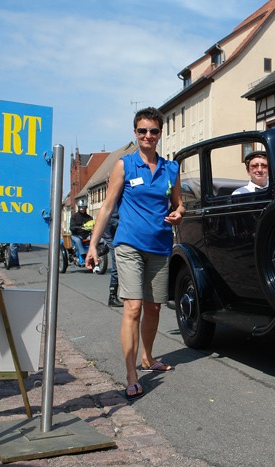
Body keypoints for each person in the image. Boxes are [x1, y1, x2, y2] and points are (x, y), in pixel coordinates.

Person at [85, 107, 185, 401]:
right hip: (128, 244)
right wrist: (92, 245)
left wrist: (178, 213)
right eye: (142, 131)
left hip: (160, 246)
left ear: (160, 133)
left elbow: (179, 204)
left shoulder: (171, 168)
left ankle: (148, 356)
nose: (148, 136)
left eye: (153, 131)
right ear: (135, 133)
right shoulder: (124, 165)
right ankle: (131, 374)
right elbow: (106, 207)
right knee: (133, 307)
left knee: (154, 308)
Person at [102, 210, 123, 307]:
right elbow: (112, 219)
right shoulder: (117, 199)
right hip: (110, 233)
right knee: (117, 263)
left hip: (118, 232)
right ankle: (112, 296)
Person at [70, 199, 93, 266]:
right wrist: (77, 227)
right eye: (81, 207)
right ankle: (83, 256)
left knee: (94, 238)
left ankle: (97, 253)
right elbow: (71, 227)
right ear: (78, 207)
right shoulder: (74, 217)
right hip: (76, 235)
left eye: (84, 207)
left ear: (86, 207)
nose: (82, 209)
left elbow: (92, 225)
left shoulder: (89, 218)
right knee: (78, 240)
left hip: (86, 235)